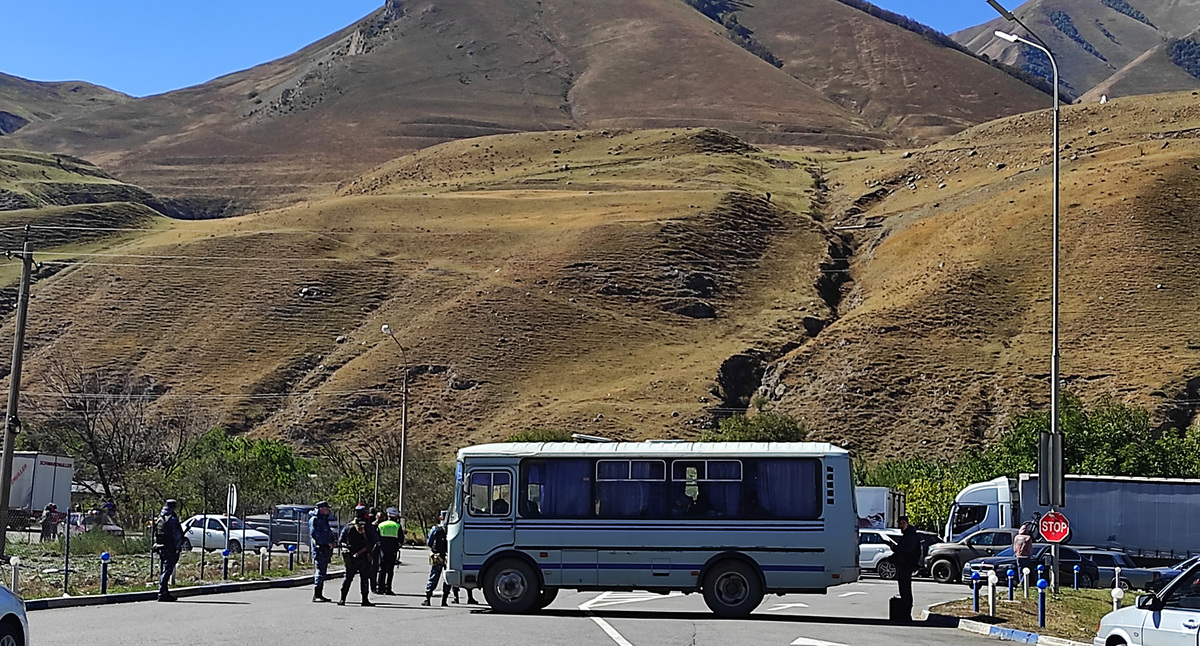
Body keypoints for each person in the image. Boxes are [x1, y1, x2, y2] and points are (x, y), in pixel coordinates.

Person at [424, 510, 476, 606]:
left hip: (437, 556)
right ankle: (444, 600)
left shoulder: (436, 529)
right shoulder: (452, 529)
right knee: (447, 579)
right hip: (449, 556)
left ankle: (428, 598)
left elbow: (429, 542)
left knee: (434, 576)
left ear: (440, 518)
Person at [884, 515, 922, 621]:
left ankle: (906, 612)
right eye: (900, 524)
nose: (901, 526)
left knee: (905, 589)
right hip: (904, 565)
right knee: (904, 589)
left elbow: (907, 550)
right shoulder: (907, 535)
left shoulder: (911, 536)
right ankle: (905, 611)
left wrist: (895, 548)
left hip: (907, 565)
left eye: (903, 523)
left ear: (907, 523)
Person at [338, 505, 375, 607]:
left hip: (351, 556)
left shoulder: (349, 526)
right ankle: (365, 600)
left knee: (348, 578)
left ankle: (342, 599)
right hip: (363, 555)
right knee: (364, 578)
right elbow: (375, 540)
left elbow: (341, 541)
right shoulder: (368, 526)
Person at [152, 499, 184, 602]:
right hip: (169, 547)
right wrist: (178, 547)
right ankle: (162, 593)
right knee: (167, 570)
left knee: (164, 569)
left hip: (160, 546)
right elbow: (177, 535)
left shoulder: (160, 518)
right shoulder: (172, 519)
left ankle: (164, 592)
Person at [309, 501, 335, 603]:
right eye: (326, 508)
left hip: (326, 549)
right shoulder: (315, 520)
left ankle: (320, 594)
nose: (327, 510)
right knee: (320, 571)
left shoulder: (324, 520)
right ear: (320, 509)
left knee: (323, 571)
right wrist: (325, 543)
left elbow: (328, 532)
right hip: (319, 549)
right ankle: (317, 594)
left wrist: (332, 542)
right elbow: (315, 536)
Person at [376, 508, 401, 595]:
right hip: (393, 550)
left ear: (388, 516)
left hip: (382, 549)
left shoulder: (381, 525)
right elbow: (401, 539)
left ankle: (379, 588)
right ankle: (388, 588)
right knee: (390, 570)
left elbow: (377, 536)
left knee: (381, 569)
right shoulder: (397, 526)